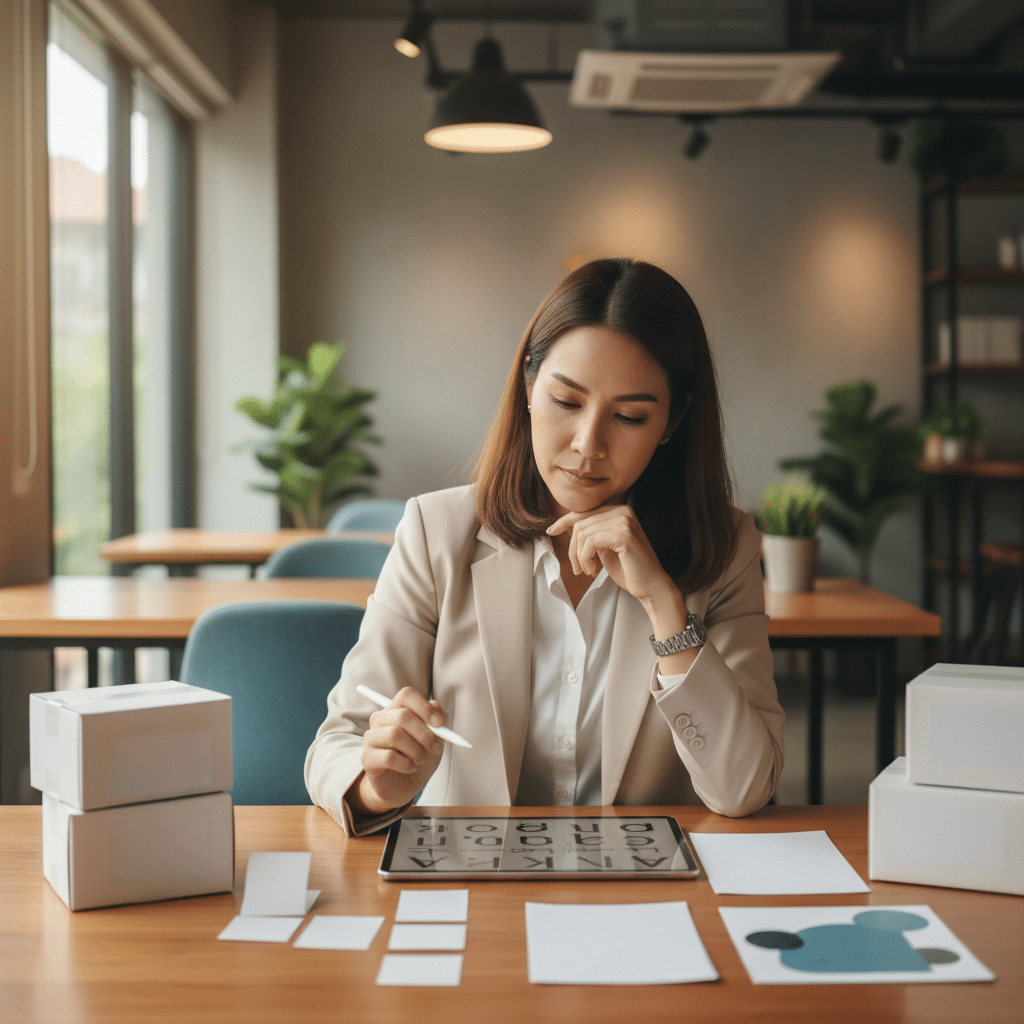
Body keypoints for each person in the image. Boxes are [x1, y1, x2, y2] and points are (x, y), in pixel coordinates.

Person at [305, 257, 784, 836]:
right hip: (473, 879)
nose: (588, 445)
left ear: (672, 423)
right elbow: (339, 741)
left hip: (639, 889)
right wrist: (378, 782)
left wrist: (666, 609)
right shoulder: (436, 530)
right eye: (566, 402)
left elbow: (746, 788)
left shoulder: (724, 547)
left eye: (630, 416)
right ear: (529, 387)